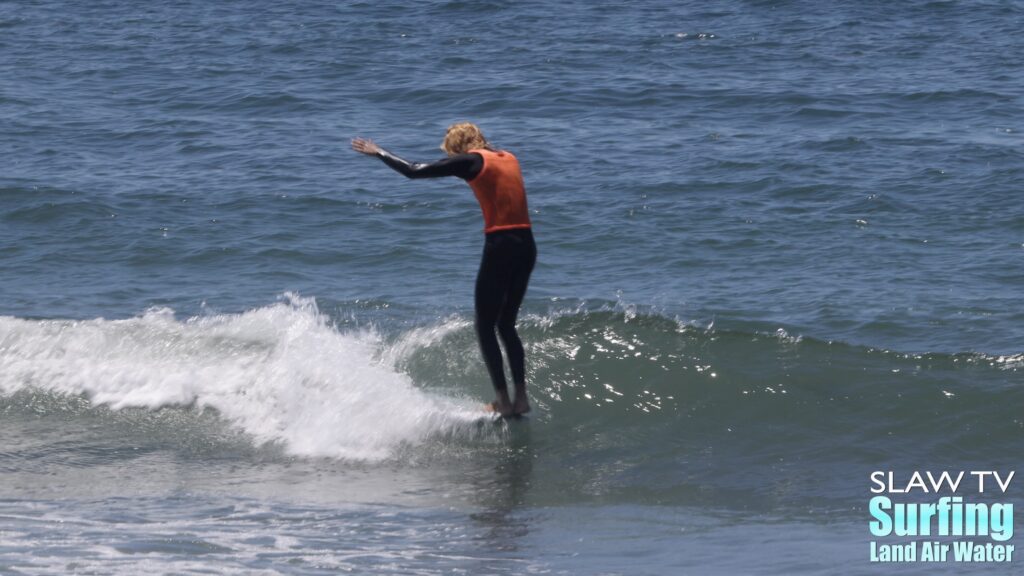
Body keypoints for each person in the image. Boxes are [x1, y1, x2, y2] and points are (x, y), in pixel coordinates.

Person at [351, 123, 536, 417]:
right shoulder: (509, 157)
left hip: (500, 244)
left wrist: (378, 152)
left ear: (459, 147)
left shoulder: (471, 160)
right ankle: (521, 398)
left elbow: (414, 170)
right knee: (506, 325)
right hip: (526, 245)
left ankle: (502, 400)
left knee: (485, 325)